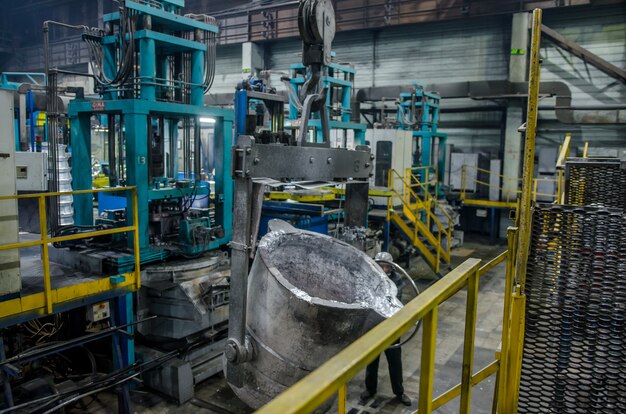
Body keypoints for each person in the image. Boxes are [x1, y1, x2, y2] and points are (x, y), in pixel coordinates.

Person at [360, 251, 412, 406]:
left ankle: (399, 392)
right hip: (375, 326)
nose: (383, 270)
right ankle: (370, 389)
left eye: (386, 267)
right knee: (372, 360)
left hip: (391, 327)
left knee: (395, 362)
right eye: (380, 266)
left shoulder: (396, 281)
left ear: (391, 268)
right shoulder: (371, 280)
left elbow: (393, 302)